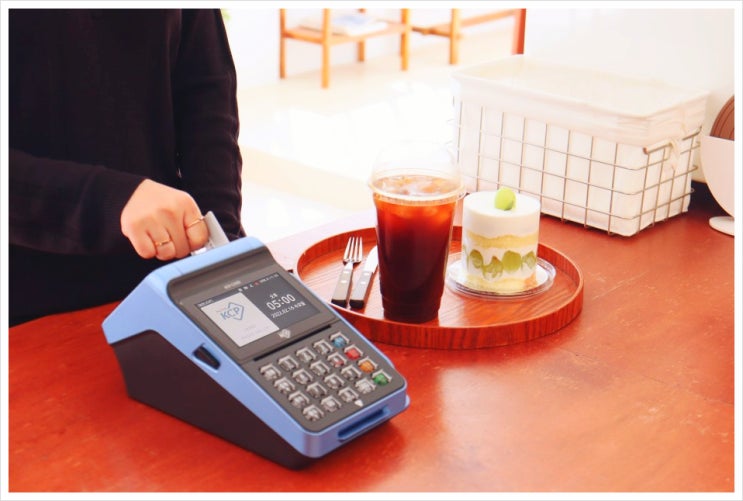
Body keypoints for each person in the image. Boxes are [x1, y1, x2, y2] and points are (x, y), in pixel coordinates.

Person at [8, 9, 245, 326]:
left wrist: (221, 237)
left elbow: (206, 91)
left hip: (171, 281)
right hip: (27, 309)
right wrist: (110, 201)